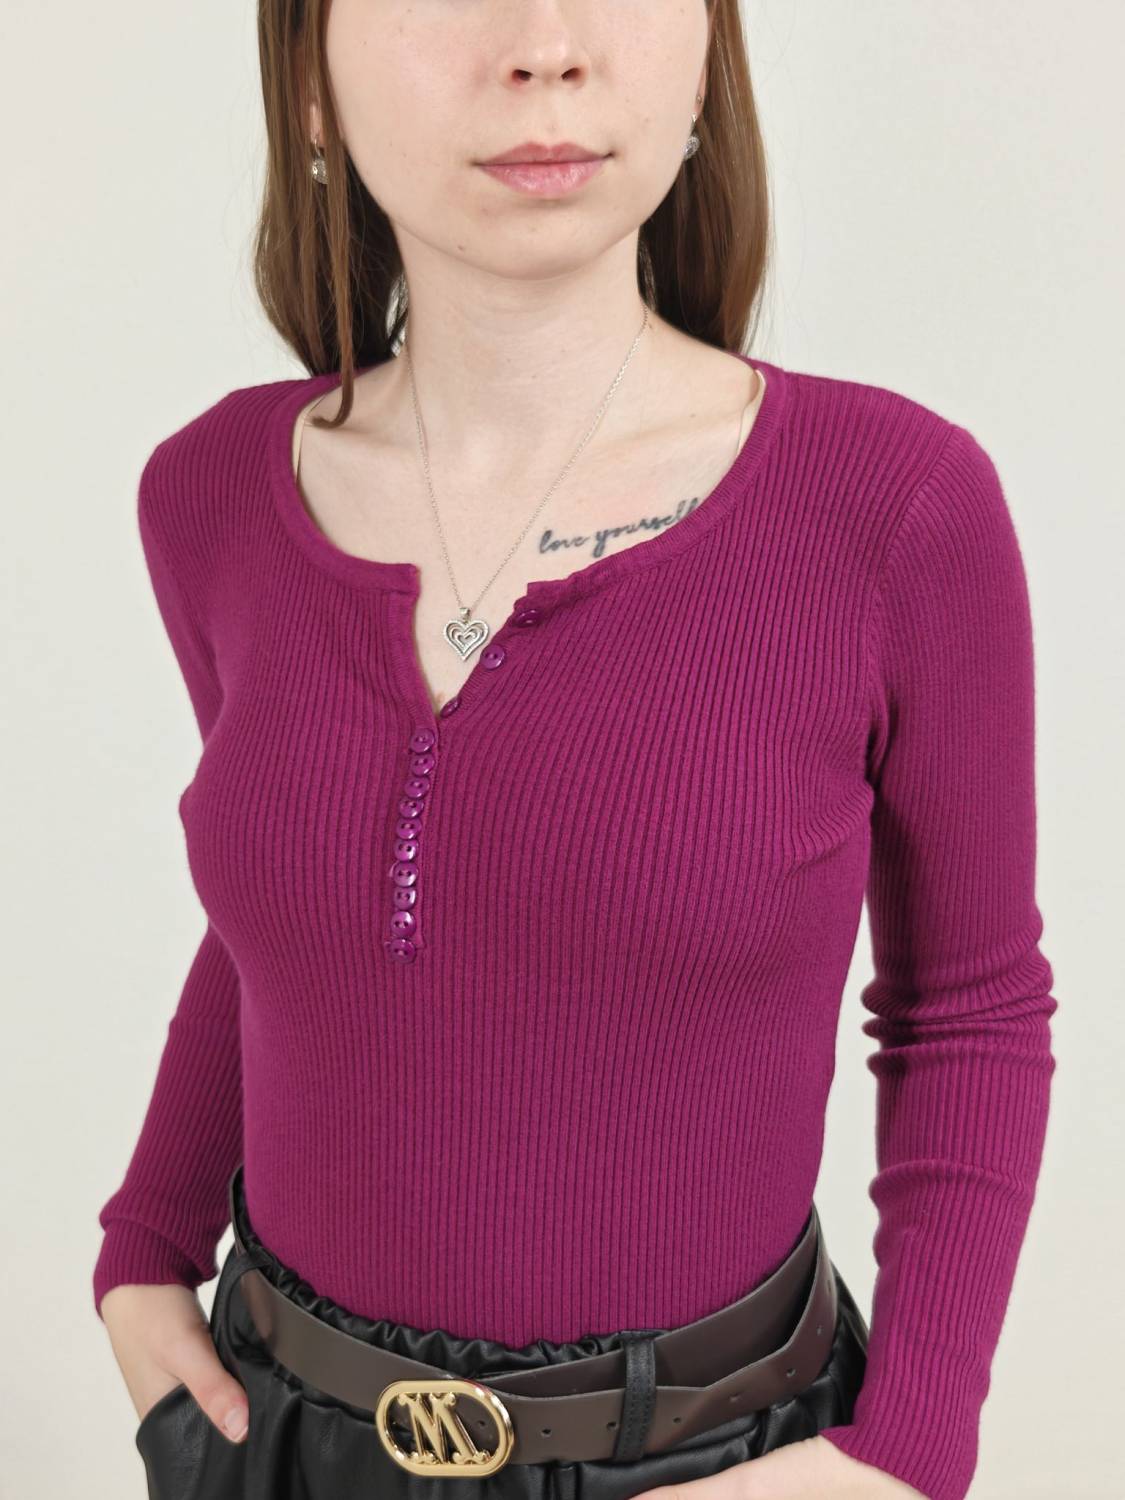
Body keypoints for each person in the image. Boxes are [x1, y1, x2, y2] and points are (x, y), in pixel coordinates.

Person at [93, 4, 1057, 1500]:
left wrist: (910, 1448)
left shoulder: (892, 508)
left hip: (713, 1457)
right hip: (274, 1430)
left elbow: (966, 1004)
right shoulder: (210, 494)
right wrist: (146, 1243)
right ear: (309, 80)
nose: (545, 43)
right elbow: (308, 919)